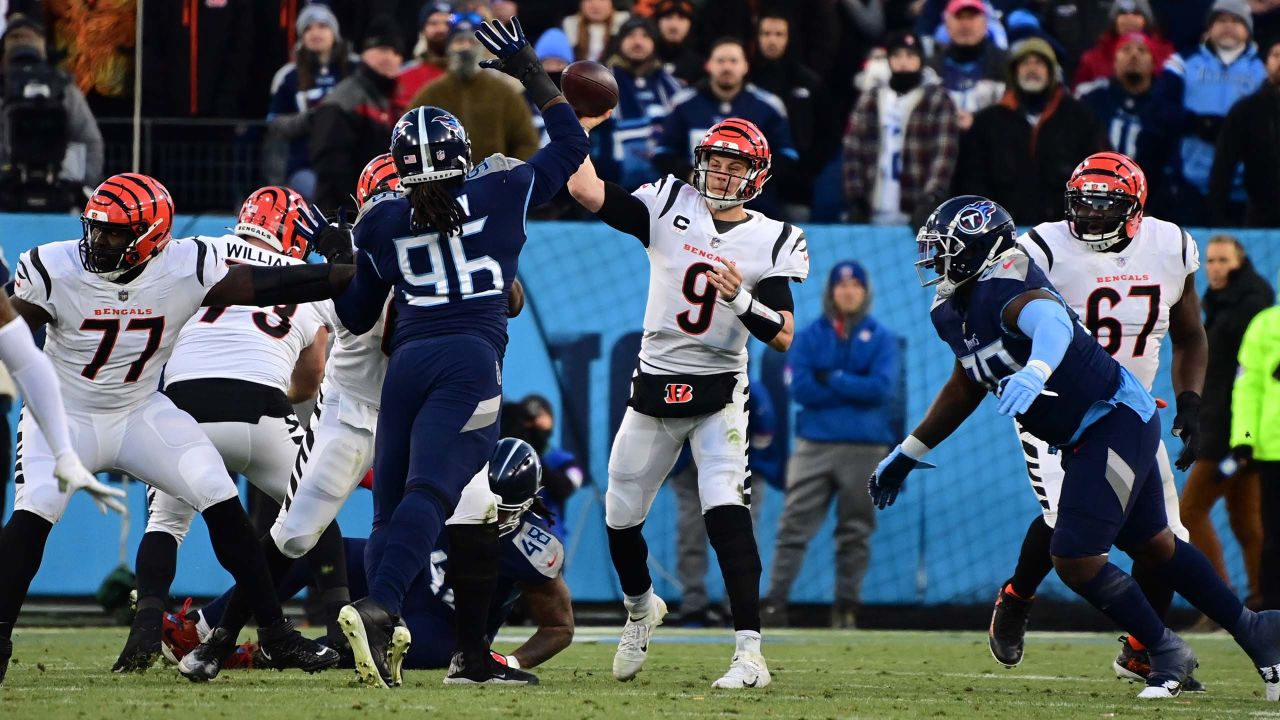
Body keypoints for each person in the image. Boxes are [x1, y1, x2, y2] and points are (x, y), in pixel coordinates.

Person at [872, 194, 1280, 700]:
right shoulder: (950, 309)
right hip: (1084, 432)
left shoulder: (1008, 284)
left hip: (1112, 419)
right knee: (1155, 543)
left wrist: (1039, 369)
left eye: (945, 250)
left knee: (1076, 557)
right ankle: (1257, 631)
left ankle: (1163, 648)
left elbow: (1053, 322)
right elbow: (966, 381)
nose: (934, 262)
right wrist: (909, 451)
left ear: (980, 249)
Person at [0, 172, 358, 685]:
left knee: (219, 495)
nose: (98, 241)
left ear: (149, 235)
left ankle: (275, 632)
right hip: (65, 414)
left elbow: (261, 287)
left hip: (140, 410)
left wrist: (335, 276)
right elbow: (11, 320)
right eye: (96, 228)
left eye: (115, 232)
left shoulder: (186, 263)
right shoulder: (53, 266)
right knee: (35, 512)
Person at [331, 16, 599, 688]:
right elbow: (569, 142)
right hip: (469, 361)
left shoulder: (385, 220)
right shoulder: (501, 190)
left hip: (408, 365)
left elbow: (357, 312)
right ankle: (381, 609)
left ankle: (433, 641)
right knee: (435, 489)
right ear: (462, 156)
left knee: (393, 508)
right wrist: (534, 73)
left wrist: (345, 255)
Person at [567, 116, 810, 689]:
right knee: (620, 513)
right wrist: (572, 121)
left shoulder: (773, 237)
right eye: (716, 160)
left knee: (725, 511)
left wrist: (742, 298)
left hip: (718, 390)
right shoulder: (668, 201)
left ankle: (750, 654)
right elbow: (584, 189)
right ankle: (639, 609)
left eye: (735, 164)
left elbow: (783, 334)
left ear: (757, 175)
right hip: (654, 383)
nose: (722, 173)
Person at [986, 153, 1207, 689]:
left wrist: (1190, 401)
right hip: (1058, 406)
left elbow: (1191, 333)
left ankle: (1140, 651)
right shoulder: (1040, 245)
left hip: (1131, 410)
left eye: (1103, 207)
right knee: (1072, 520)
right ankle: (1017, 596)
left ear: (1133, 210)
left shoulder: (1171, 245)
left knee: (1164, 539)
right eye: (1081, 205)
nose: (1088, 218)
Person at [111, 186, 338, 674]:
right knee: (316, 512)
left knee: (166, 524)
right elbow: (312, 377)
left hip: (184, 408)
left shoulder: (202, 253)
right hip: (262, 411)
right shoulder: (306, 279)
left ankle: (146, 626)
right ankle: (342, 627)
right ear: (294, 234)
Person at [162, 438, 574, 674]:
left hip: (444, 627)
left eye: (503, 509)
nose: (489, 514)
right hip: (402, 576)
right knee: (317, 545)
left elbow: (559, 626)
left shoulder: (530, 547)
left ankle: (263, 655)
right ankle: (202, 625)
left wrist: (512, 661)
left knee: (367, 648)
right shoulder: (455, 484)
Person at [763, 260, 899, 629]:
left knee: (855, 532)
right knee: (792, 527)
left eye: (856, 284)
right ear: (831, 291)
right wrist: (853, 384)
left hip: (865, 448)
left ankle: (846, 609)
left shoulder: (881, 337)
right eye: (841, 285)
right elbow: (802, 388)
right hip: (815, 445)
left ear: (865, 291)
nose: (848, 291)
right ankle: (774, 604)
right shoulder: (809, 336)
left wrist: (833, 378)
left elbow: (881, 389)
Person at [1180, 235, 1274, 610]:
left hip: (1229, 436)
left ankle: (1222, 603)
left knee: (1189, 511)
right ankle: (1262, 602)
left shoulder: (1249, 307)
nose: (1215, 268)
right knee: (1247, 521)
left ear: (1241, 262)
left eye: (1223, 260)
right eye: (1212, 261)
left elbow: (1245, 380)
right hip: (1232, 432)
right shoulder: (1223, 305)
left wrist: (1241, 435)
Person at [954, 38, 1108, 226]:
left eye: (1039, 63)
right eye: (1025, 63)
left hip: (1066, 230)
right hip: (1003, 231)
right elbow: (972, 178)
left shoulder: (1081, 118)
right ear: (1013, 72)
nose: (1032, 68)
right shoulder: (987, 122)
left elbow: (1097, 170)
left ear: (1052, 72)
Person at [1144, 0, 1266, 226]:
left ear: (1248, 29)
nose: (1228, 25)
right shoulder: (1182, 62)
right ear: (1209, 27)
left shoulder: (1264, 68)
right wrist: (1197, 123)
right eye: (1221, 20)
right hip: (1192, 179)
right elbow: (1159, 109)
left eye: (1236, 20)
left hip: (1247, 185)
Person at [655, 38, 798, 217]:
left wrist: (748, 182)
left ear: (745, 66)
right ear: (708, 65)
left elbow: (787, 156)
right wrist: (693, 175)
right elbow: (663, 153)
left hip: (756, 208)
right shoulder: (683, 104)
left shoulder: (769, 106)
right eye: (721, 61)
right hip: (693, 207)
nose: (727, 67)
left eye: (733, 61)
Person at [843, 30, 958, 228]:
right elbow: (853, 149)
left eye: (910, 56)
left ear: (921, 60)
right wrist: (856, 198)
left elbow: (943, 154)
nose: (904, 62)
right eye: (897, 56)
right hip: (873, 211)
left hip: (916, 211)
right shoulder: (870, 99)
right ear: (889, 60)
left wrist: (931, 199)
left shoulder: (937, 99)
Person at [0, 15, 103, 211]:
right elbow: (92, 141)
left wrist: (82, 187)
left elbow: (90, 142)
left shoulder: (63, 89)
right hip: (12, 187)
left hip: (59, 185)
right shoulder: (65, 89)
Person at [410, 18, 540, 163]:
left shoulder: (504, 93)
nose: (466, 48)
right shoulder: (430, 94)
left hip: (494, 183)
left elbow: (526, 143)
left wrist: (511, 176)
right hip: (443, 183)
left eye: (471, 42)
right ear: (449, 47)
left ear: (481, 47)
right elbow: (409, 138)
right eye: (459, 42)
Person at [310, 16, 404, 215]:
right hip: (343, 215)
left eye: (395, 52)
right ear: (364, 54)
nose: (389, 57)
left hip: (378, 208)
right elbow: (331, 165)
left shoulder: (390, 99)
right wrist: (360, 207)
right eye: (382, 50)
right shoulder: (345, 98)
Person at [267, 4, 358, 199]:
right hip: (306, 166)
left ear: (334, 31)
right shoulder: (288, 75)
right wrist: (309, 120)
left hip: (352, 163)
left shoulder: (356, 69)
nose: (315, 33)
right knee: (319, 196)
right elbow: (274, 123)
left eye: (322, 26)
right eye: (308, 28)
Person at [750, 12, 832, 221]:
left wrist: (807, 169)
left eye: (779, 34)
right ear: (757, 37)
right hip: (750, 189)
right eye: (766, 33)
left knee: (792, 249)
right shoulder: (746, 80)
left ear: (789, 38)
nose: (772, 40)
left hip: (796, 186)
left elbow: (827, 131)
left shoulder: (809, 82)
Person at [595, 17, 682, 189]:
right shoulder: (602, 79)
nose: (638, 42)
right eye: (631, 36)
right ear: (620, 42)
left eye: (645, 36)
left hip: (664, 185)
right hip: (611, 184)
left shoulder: (668, 82)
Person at [1233, 297, 1280, 610]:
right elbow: (1248, 387)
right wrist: (1244, 438)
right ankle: (1272, 615)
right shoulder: (1266, 324)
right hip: (1273, 450)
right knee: (1274, 540)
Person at [1209, 38, 1280, 227]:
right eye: (1276, 55)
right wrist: (1217, 215)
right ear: (1265, 64)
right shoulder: (1246, 109)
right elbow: (1224, 164)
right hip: (1261, 214)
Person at [500, 394, 587, 543]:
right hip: (507, 538)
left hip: (546, 541)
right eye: (529, 420)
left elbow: (565, 487)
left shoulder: (564, 460)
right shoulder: (503, 456)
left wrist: (529, 457)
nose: (534, 424)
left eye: (540, 417)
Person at [926, 0, 1006, 131]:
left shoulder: (1005, 64)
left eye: (971, 17)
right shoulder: (931, 67)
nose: (965, 24)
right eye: (959, 17)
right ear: (947, 24)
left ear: (985, 23)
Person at [1077, 33, 1159, 159]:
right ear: (1114, 62)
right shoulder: (1092, 98)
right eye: (1126, 49)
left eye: (1142, 50)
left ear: (1153, 64)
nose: (1134, 55)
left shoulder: (1163, 103)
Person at [1073, 0, 1174, 89]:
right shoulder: (1092, 59)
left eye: (1136, 13)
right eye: (1123, 13)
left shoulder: (1167, 56)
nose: (1129, 19)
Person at [395, 2, 456, 113]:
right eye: (433, 23)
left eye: (448, 24)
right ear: (423, 30)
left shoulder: (469, 74)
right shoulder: (407, 74)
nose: (441, 29)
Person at [652, 0, 703, 85]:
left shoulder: (700, 66)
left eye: (681, 18)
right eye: (668, 18)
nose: (674, 25)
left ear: (690, 25)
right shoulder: (643, 61)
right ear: (658, 23)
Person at [563, 0, 629, 62]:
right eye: (589, 0)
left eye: (602, 0)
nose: (596, 5)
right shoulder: (571, 24)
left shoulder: (623, 22)